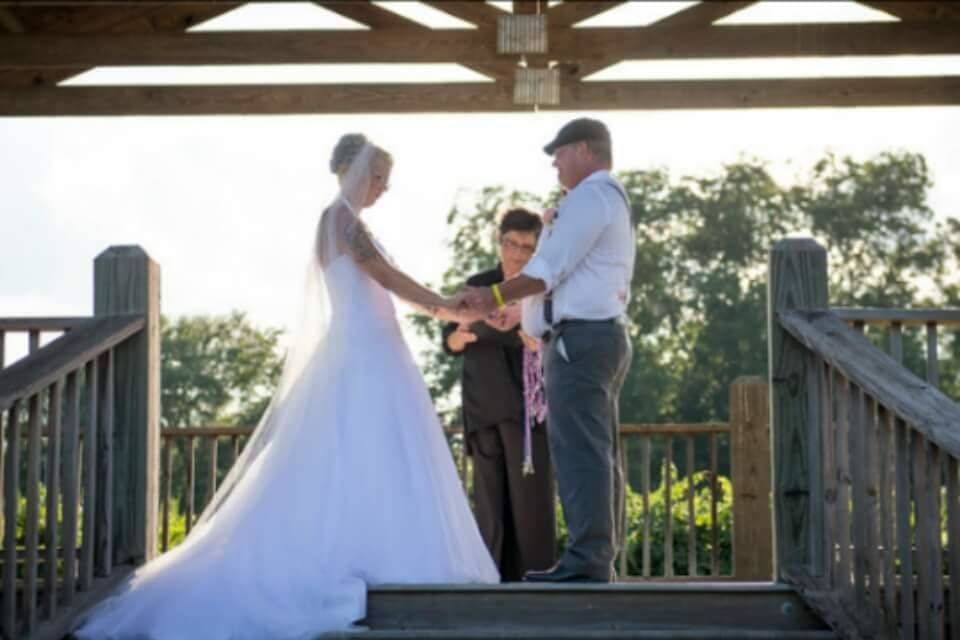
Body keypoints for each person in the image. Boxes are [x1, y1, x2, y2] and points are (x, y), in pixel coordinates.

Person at [72, 134, 498, 639]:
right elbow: (384, 274)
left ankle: (383, 551)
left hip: (378, 347)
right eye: (378, 175)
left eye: (386, 177)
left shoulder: (348, 221)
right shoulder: (339, 219)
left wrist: (443, 307)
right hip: (362, 350)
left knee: (381, 450)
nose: (384, 186)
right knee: (352, 447)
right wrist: (445, 306)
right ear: (352, 170)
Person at [457, 118, 635, 584]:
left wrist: (492, 297)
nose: (554, 162)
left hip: (581, 341)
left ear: (583, 150)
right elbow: (568, 278)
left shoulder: (592, 197)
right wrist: (522, 316)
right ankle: (597, 558)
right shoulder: (598, 199)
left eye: (558, 152)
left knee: (580, 454)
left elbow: (547, 271)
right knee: (594, 450)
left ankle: (587, 561)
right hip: (589, 337)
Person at [442, 208, 556, 582]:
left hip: (527, 410)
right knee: (489, 502)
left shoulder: (541, 285)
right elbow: (451, 340)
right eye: (512, 244)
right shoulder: (479, 283)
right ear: (499, 241)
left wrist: (529, 334)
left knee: (529, 500)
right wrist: (461, 336)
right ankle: (490, 581)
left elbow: (550, 334)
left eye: (527, 247)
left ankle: (536, 580)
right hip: (482, 403)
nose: (518, 254)